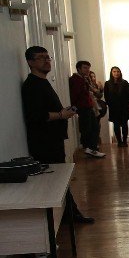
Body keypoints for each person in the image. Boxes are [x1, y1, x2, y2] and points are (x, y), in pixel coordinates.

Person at [20, 46, 93, 223]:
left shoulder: (43, 82)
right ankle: (67, 215)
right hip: (44, 141)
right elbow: (36, 115)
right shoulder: (31, 85)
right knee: (55, 180)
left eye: (47, 57)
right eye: (41, 58)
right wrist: (61, 115)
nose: (46, 61)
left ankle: (70, 213)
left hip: (53, 138)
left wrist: (63, 112)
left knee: (60, 178)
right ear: (30, 62)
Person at [69, 60, 104, 158]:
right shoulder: (76, 79)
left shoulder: (84, 79)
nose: (87, 70)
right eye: (85, 68)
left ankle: (91, 148)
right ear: (79, 68)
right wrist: (75, 107)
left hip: (88, 107)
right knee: (88, 129)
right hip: (83, 108)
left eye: (88, 68)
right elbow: (75, 95)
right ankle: (90, 148)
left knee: (94, 128)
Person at [104, 67, 129, 148]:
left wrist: (127, 103)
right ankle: (119, 141)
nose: (116, 73)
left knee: (124, 125)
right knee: (116, 125)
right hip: (114, 108)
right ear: (111, 73)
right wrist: (110, 104)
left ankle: (125, 141)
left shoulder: (124, 82)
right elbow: (106, 96)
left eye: (118, 71)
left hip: (124, 107)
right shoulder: (107, 83)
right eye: (114, 71)